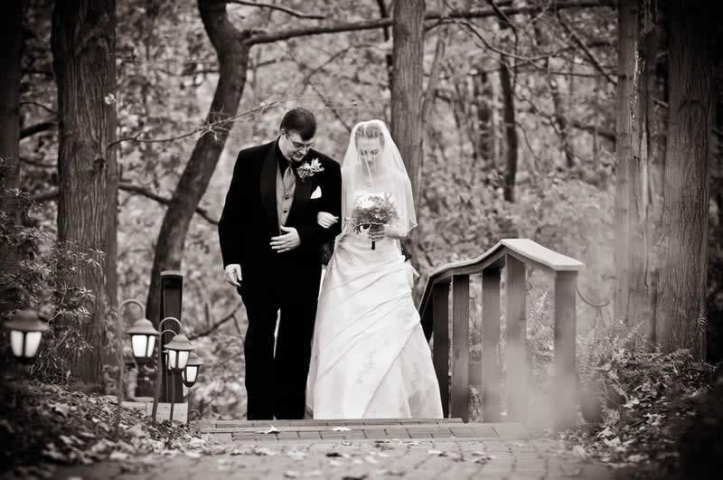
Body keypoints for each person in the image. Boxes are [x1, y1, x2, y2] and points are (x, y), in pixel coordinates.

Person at [306, 120, 442, 419]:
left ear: (383, 149)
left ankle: (389, 407)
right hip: (350, 263)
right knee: (341, 332)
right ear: (356, 149)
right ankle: (340, 408)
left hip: (384, 264)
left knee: (390, 331)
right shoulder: (344, 176)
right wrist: (335, 227)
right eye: (363, 152)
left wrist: (388, 231)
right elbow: (334, 216)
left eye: (373, 152)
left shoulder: (397, 179)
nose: (368, 158)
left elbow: (404, 225)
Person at [218, 108, 342, 420]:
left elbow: (335, 222)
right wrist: (230, 260)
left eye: (308, 146)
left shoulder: (326, 168)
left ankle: (288, 415)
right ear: (282, 132)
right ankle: (258, 413)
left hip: (302, 269)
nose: (303, 151)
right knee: (259, 337)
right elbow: (232, 215)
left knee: (296, 340)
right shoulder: (249, 160)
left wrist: (303, 236)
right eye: (298, 144)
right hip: (257, 266)